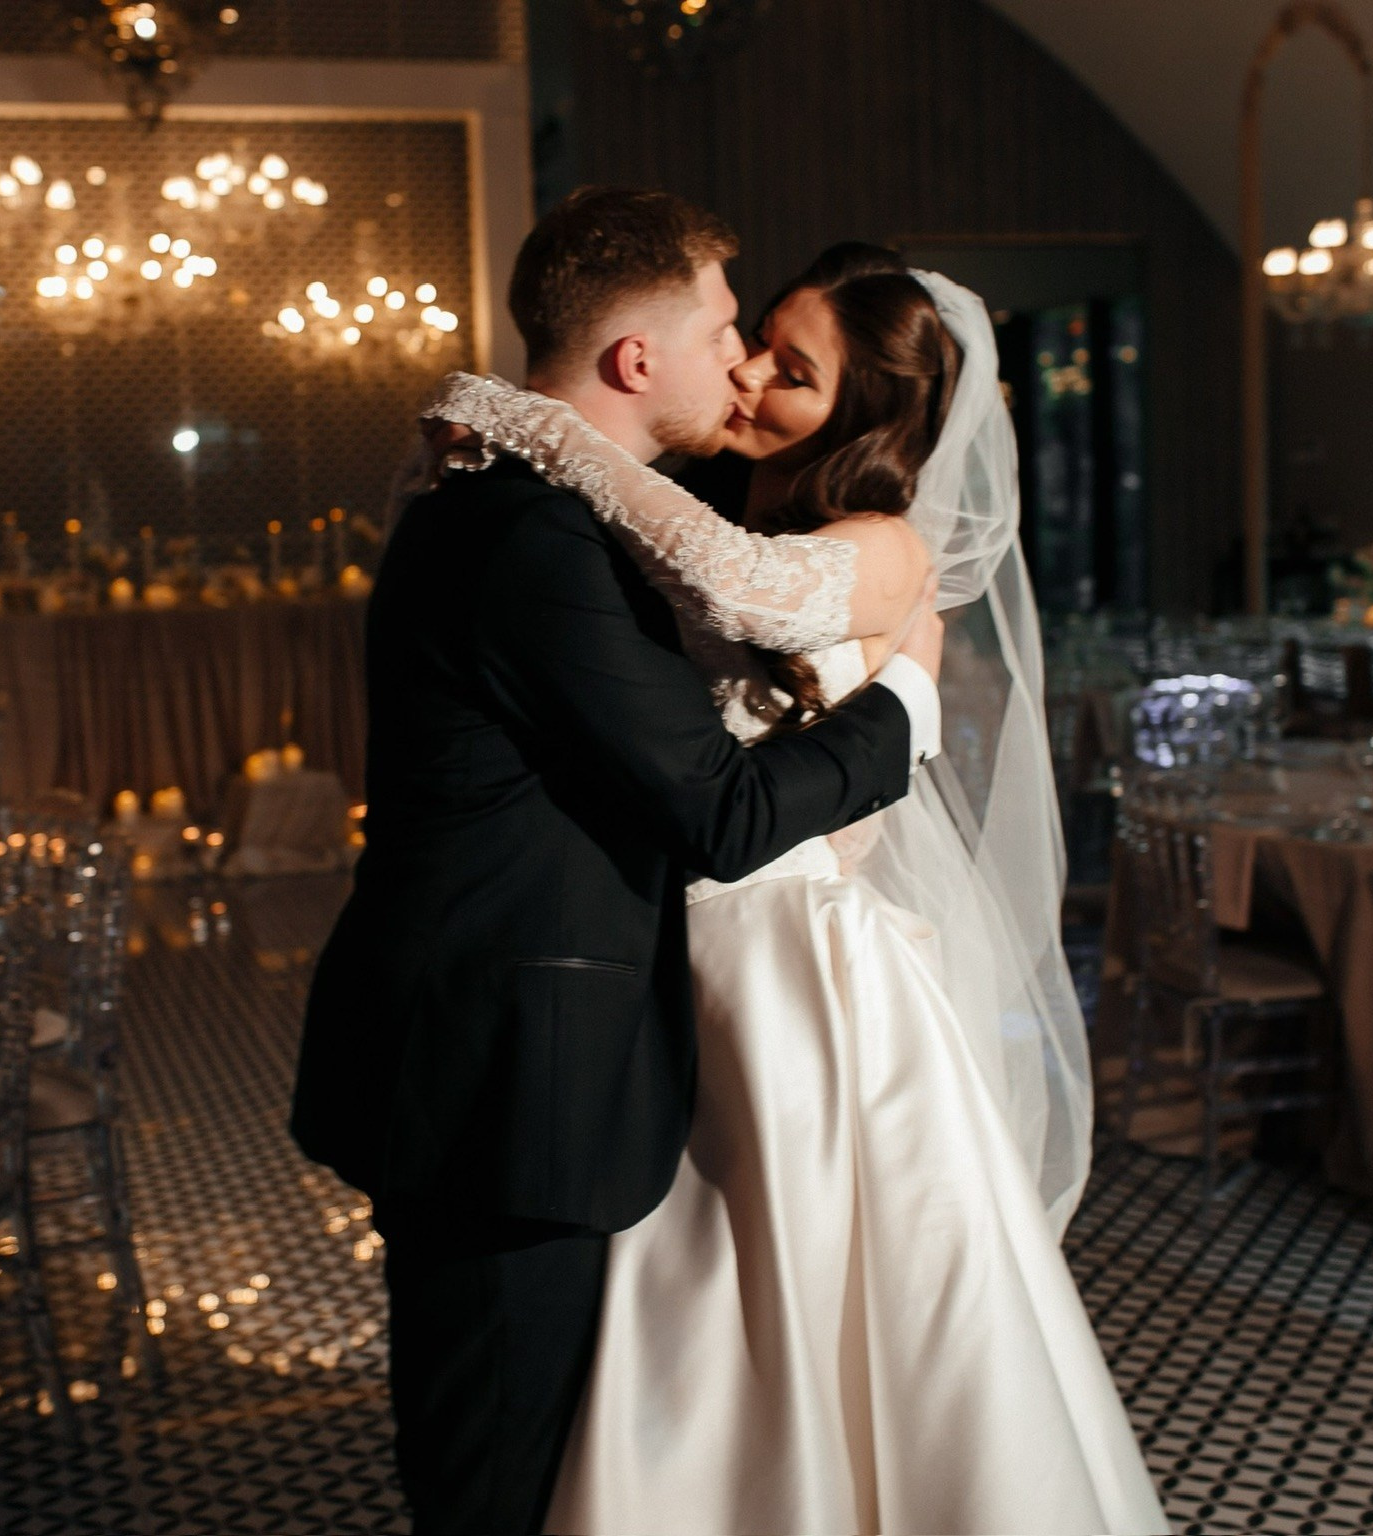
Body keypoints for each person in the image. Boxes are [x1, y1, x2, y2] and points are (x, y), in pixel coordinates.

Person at [421, 240, 1166, 1533]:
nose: (753, 374)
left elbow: (739, 588)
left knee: (817, 1295)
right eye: (758, 340)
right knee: (696, 1314)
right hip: (678, 954)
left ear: (860, 419)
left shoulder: (880, 547)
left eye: (795, 370)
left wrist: (529, 420)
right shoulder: (722, 506)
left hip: (791, 965)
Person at [291, 190, 947, 1535]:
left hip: (564, 1048)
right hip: (500, 1077)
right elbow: (718, 810)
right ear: (638, 359)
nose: (740, 364)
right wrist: (911, 707)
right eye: (723, 331)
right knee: (494, 1471)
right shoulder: (524, 529)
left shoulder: (561, 507)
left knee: (574, 1449)